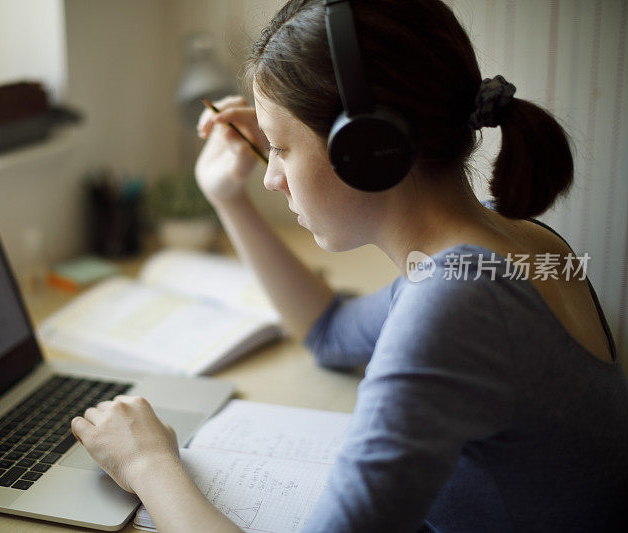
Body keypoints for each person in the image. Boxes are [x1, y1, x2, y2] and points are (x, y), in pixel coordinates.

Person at [70, 0, 628, 531]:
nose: (271, 174)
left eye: (282, 148)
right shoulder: (505, 238)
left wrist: (147, 464)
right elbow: (330, 332)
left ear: (365, 146)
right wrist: (228, 199)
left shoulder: (458, 301)